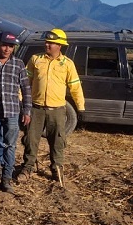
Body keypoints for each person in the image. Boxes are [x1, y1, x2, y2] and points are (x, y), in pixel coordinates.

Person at [18, 28, 85, 183]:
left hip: (57, 111)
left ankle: (56, 169)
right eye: (47, 42)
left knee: (57, 141)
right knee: (30, 140)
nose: (47, 45)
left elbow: (75, 87)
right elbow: (25, 83)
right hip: (36, 108)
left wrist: (80, 107)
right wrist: (20, 99)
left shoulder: (67, 64)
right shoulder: (35, 59)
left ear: (60, 46)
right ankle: (27, 168)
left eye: (51, 43)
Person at [0, 31, 32, 193]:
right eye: (5, 45)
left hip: (12, 111)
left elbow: (26, 88)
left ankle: (6, 179)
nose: (7, 49)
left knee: (10, 145)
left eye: (11, 46)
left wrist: (27, 111)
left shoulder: (18, 64)